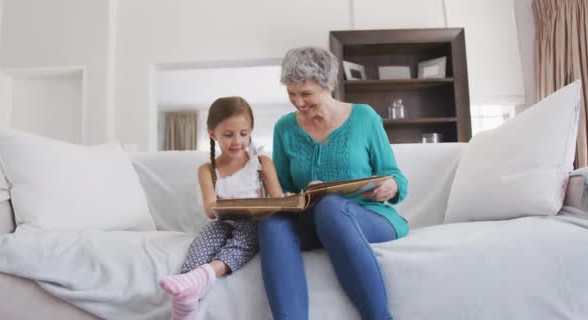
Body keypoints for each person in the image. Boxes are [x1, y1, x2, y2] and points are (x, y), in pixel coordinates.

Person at [259, 47, 410, 320]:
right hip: (312, 220)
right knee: (272, 222)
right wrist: (290, 196)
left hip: (368, 216)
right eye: (291, 94)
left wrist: (391, 186)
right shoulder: (284, 128)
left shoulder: (364, 118)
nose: (298, 102)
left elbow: (395, 176)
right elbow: (281, 189)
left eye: (306, 94)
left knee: (330, 206)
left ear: (329, 85)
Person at [158, 96, 284, 320]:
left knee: (246, 237)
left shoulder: (262, 162)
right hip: (223, 220)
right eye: (228, 135)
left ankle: (205, 274)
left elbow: (278, 200)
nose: (237, 141)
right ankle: (186, 290)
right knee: (205, 238)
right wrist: (229, 206)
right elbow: (210, 209)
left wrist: (253, 207)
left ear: (251, 131)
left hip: (253, 222)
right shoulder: (207, 169)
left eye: (244, 134)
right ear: (213, 134)